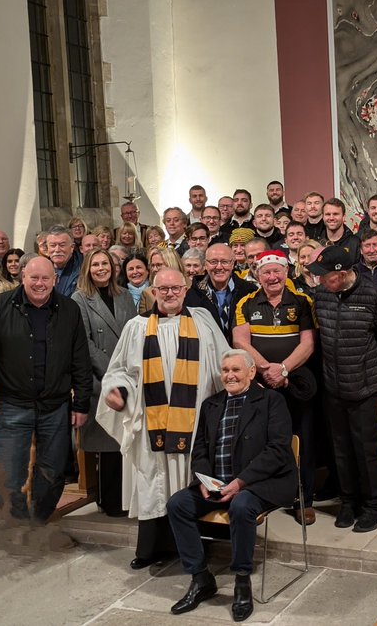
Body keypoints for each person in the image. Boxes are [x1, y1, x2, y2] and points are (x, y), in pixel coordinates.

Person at [96, 268, 228, 567]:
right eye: (163, 289)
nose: (169, 294)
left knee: (188, 481)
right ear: (153, 292)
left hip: (194, 423)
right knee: (153, 483)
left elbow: (223, 362)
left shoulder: (202, 321)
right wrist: (118, 392)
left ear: (185, 289)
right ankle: (150, 550)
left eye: (175, 288)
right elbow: (121, 371)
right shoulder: (136, 326)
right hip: (152, 423)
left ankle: (192, 551)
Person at [165, 350, 294, 620]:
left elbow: (278, 450)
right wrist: (202, 480)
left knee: (242, 505)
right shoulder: (211, 404)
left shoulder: (272, 401)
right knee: (177, 504)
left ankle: (242, 581)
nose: (229, 375)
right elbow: (199, 449)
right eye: (225, 370)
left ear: (251, 372)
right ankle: (201, 578)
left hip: (259, 483)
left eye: (236, 370)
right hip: (216, 485)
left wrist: (240, 482)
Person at [0, 256, 91, 523]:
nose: (39, 283)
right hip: (12, 404)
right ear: (22, 277)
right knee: (9, 472)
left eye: (46, 278)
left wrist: (81, 403)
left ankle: (38, 519)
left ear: (54, 280)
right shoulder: (0, 307)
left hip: (56, 406)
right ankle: (15, 521)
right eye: (34, 277)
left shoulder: (69, 309)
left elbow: (80, 359)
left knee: (53, 471)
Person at [308, 245, 377, 532]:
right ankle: (348, 502)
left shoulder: (373, 295)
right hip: (333, 387)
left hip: (365, 387)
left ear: (342, 273)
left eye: (325, 276)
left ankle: (374, 506)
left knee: (366, 450)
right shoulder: (321, 295)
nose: (319, 280)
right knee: (341, 449)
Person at [232, 251, 318, 524]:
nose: (272, 277)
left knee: (302, 441)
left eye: (277, 272)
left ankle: (303, 500)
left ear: (286, 273)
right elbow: (240, 341)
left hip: (295, 382)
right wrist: (267, 369)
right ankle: (261, 497)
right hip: (261, 382)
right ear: (258, 275)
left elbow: (308, 343)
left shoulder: (303, 301)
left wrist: (283, 370)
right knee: (261, 441)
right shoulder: (246, 302)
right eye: (266, 272)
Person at [71, 249, 138, 517]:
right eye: (96, 264)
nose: (101, 268)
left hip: (128, 376)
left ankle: (126, 497)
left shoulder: (123, 296)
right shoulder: (79, 299)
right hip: (101, 379)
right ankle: (108, 500)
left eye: (105, 263)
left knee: (125, 442)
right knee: (107, 444)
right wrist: (113, 370)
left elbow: (135, 330)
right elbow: (83, 342)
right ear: (88, 268)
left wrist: (129, 368)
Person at [186, 244, 253, 345]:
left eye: (225, 262)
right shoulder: (191, 296)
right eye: (213, 262)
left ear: (233, 263)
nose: (219, 267)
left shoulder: (249, 292)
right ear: (205, 265)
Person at [45, 225, 83, 296]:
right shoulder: (41, 269)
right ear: (47, 249)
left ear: (72, 247)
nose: (57, 250)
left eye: (62, 245)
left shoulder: (83, 269)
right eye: (53, 245)